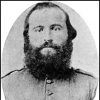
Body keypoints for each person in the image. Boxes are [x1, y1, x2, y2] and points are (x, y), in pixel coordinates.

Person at [1, 2, 98, 100]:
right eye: (39, 30)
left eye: (56, 29)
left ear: (68, 35)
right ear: (27, 37)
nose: (47, 37)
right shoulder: (7, 85)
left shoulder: (91, 87)